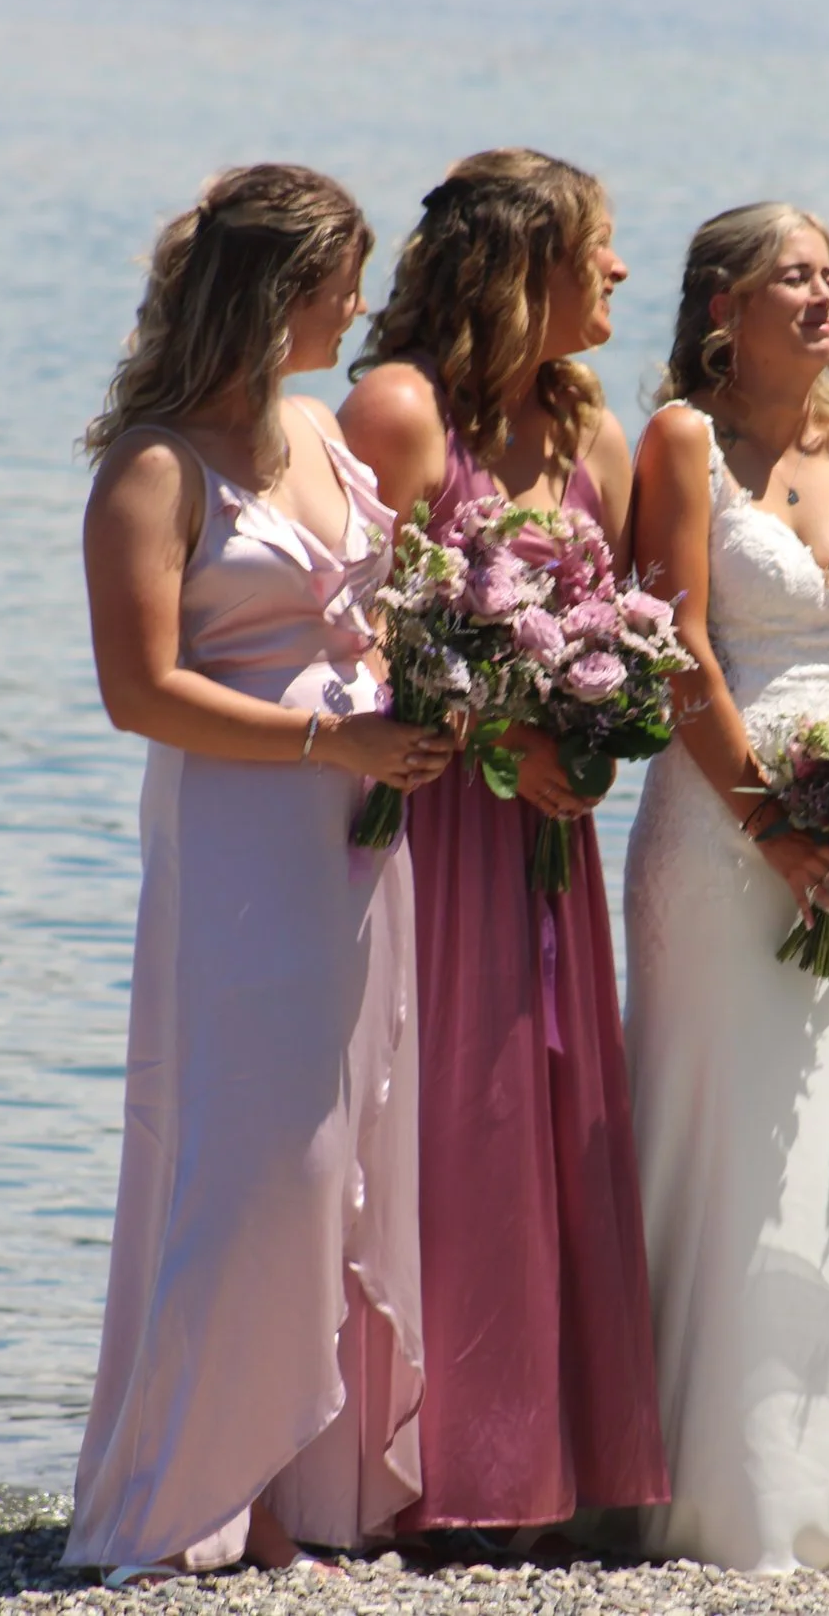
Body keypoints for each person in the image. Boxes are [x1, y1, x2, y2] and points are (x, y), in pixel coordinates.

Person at [63, 165, 458, 1583]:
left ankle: (289, 1483)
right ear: (278, 291)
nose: (361, 303)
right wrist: (320, 733)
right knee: (250, 1164)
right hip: (240, 839)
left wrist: (437, 684)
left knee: (341, 1154)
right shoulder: (156, 466)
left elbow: (378, 613)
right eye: (341, 278)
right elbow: (140, 689)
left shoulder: (317, 435)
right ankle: (204, 1494)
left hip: (353, 838)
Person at [620, 201, 829, 1573]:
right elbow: (677, 650)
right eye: (791, 278)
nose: (821, 297)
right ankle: (711, 1485)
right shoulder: (680, 442)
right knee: (719, 1126)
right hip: (718, 839)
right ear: (722, 306)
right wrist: (774, 825)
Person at [338, 149, 668, 1543]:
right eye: (598, 247)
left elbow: (642, 633)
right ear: (523, 264)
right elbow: (351, 646)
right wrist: (494, 736)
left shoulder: (599, 432)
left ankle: (540, 1470)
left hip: (550, 841)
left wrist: (594, 734)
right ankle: (425, 1474)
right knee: (448, 1127)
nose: (620, 274)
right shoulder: (397, 410)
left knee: (548, 1128)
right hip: (431, 828)